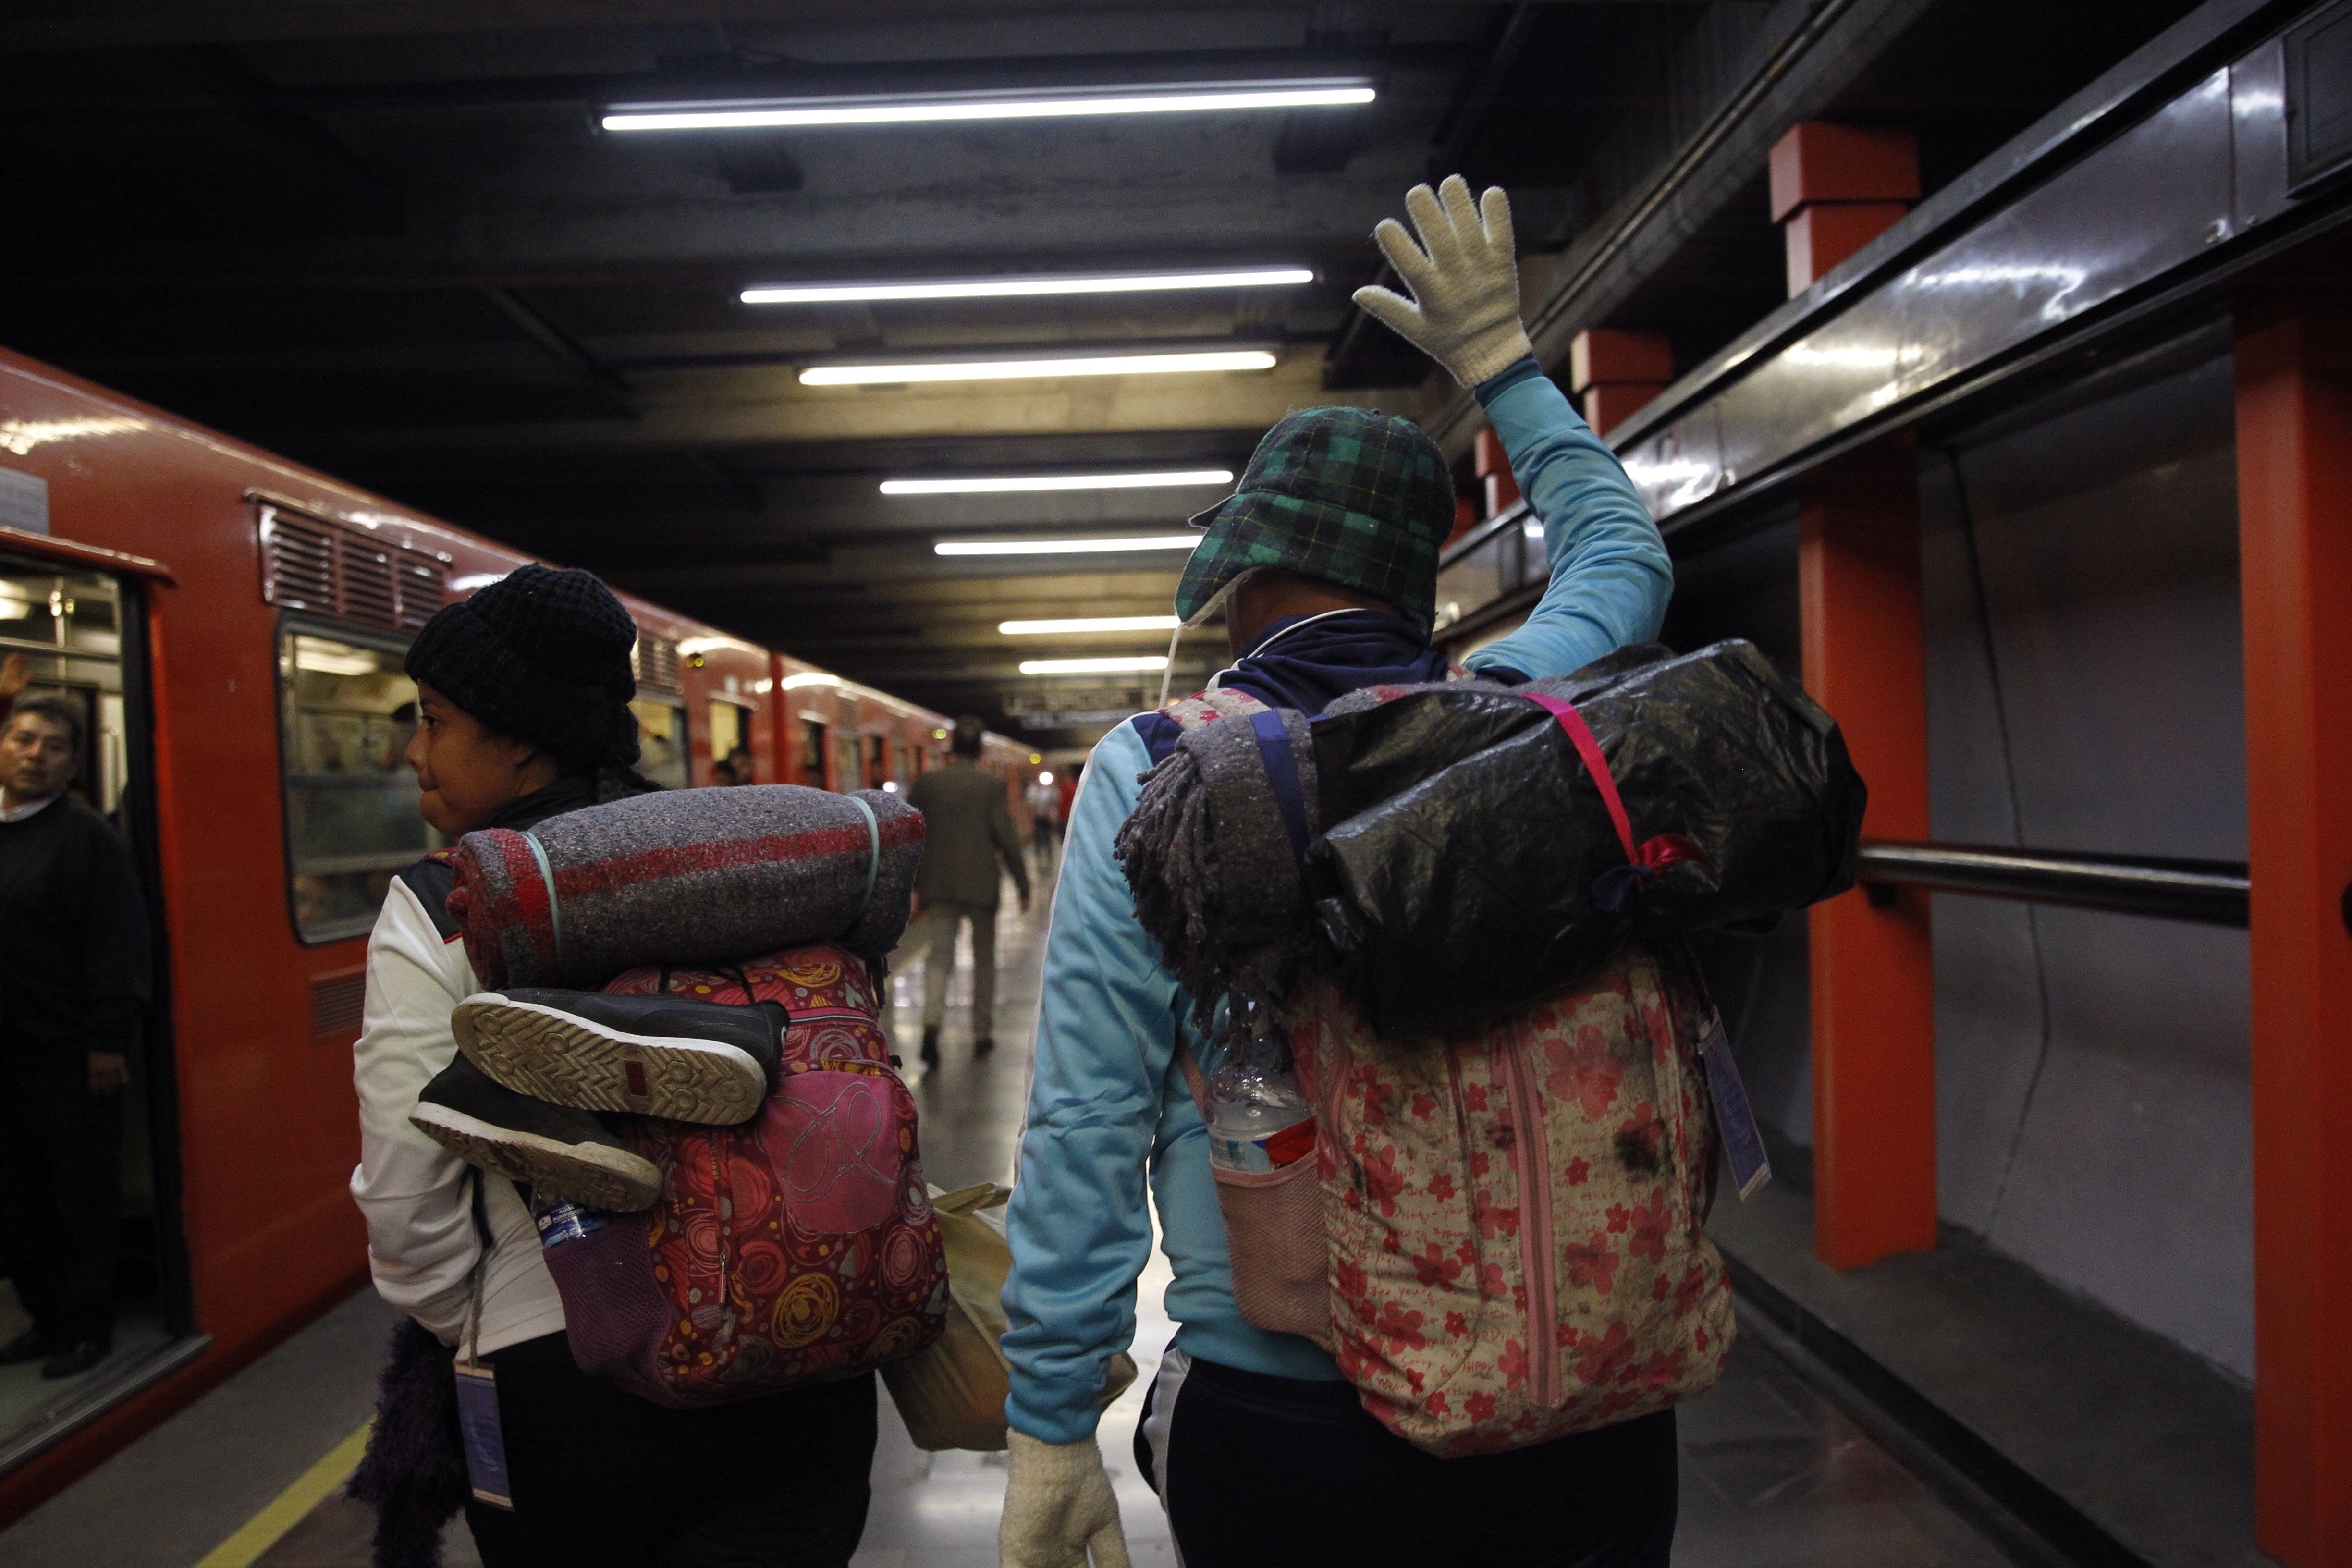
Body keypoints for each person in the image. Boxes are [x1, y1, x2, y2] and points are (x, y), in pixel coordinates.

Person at [996, 178, 1679, 1568]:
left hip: (1287, 1416)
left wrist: (1049, 1419)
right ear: (1410, 583)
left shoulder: (1165, 763)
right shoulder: (1525, 706)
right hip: (1582, 1401)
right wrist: (1505, 368)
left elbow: (1087, 1121)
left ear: (1245, 578)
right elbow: (1623, 553)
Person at [349, 564, 875, 1568]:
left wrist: (501, 1317)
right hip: (804, 1352)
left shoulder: (439, 906)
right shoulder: (742, 868)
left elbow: (407, 1199)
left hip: (568, 1384)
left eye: (434, 719)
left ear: (521, 736)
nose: (414, 753)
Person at [0, 691, 151, 1380]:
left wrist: (106, 1041)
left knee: (79, 1198)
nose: (34, 754)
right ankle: (46, 1318)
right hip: (7, 1058)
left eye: (52, 746)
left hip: (68, 1056)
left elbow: (115, 945)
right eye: (23, 739)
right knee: (18, 1197)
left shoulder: (90, 840)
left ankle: (87, 1326)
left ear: (73, 763)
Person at [904, 716, 1029, 1067]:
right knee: (984, 960)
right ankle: (981, 1032)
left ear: (951, 746)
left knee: (939, 960)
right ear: (980, 750)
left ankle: (931, 1023)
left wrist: (910, 884)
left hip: (938, 885)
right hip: (981, 885)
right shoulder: (990, 785)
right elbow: (1005, 834)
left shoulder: (928, 783)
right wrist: (1023, 885)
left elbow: (910, 832)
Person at [1023, 771, 1062, 877]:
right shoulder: (1033, 790)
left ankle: (1049, 857)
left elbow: (1057, 800)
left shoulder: (1050, 790)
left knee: (1048, 837)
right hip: (1037, 818)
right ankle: (1040, 857)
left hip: (1047, 818)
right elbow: (1029, 803)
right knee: (1038, 837)